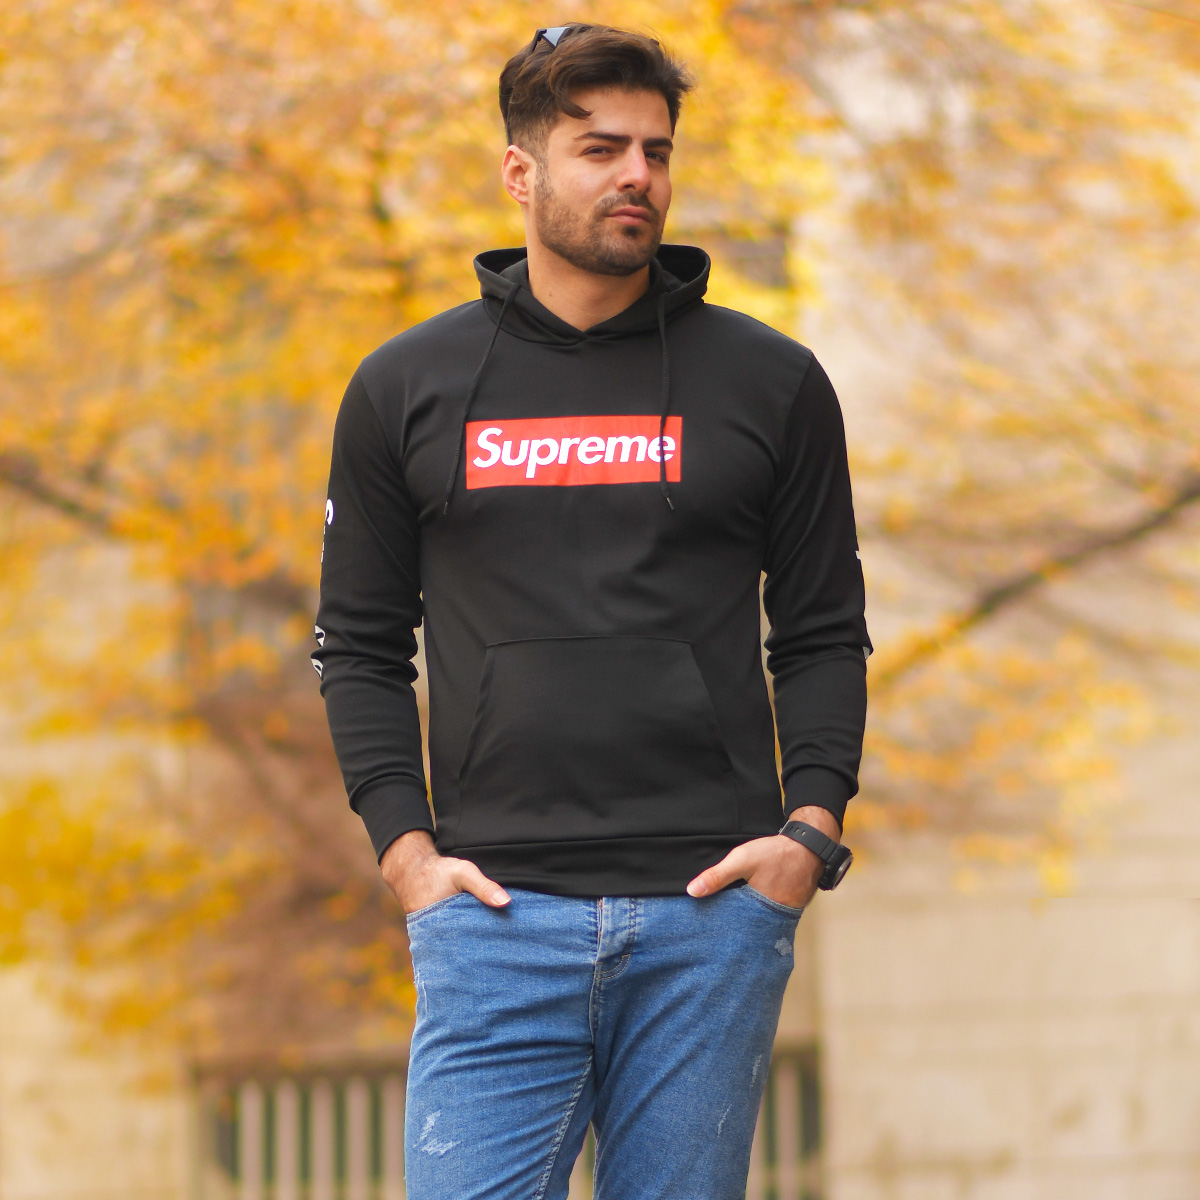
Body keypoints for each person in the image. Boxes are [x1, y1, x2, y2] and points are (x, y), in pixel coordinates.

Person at [312, 22, 870, 1200]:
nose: (638, 177)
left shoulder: (772, 383)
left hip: (710, 918)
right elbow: (359, 646)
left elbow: (821, 629)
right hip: (492, 918)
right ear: (520, 173)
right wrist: (407, 855)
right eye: (601, 149)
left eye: (656, 152)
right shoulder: (404, 388)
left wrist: (808, 835)